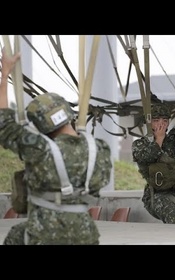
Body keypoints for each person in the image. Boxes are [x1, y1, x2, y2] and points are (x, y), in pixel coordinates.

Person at [0, 48, 112, 245]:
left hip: (44, 233)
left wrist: (5, 73)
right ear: (68, 113)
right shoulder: (99, 149)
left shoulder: (39, 148)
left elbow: (4, 124)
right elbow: (98, 184)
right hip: (85, 234)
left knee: (15, 237)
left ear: (41, 124)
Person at [132, 82, 175, 224]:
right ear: (149, 123)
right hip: (157, 194)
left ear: (169, 122)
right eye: (156, 121)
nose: (161, 124)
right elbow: (148, 157)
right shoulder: (140, 144)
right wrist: (159, 139)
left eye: (164, 120)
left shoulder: (174, 137)